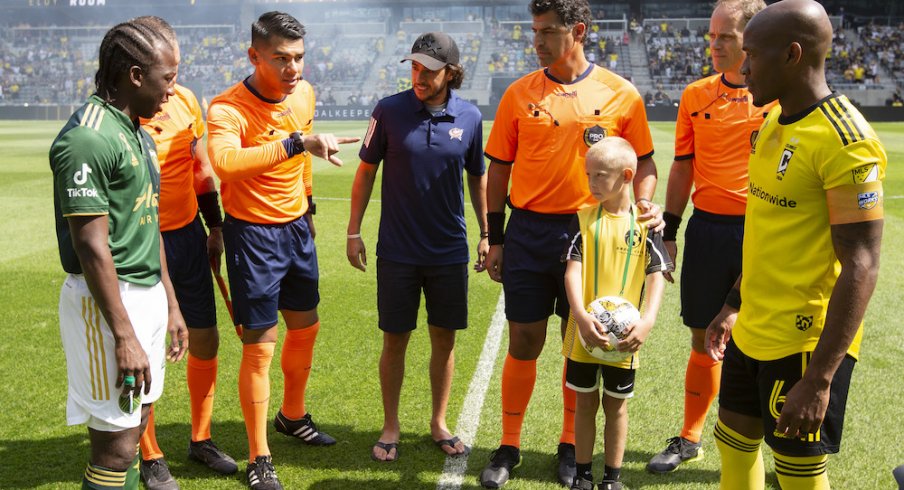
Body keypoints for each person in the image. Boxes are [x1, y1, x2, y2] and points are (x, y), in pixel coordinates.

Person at [705, 1, 886, 488]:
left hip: (805, 344)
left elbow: (863, 264)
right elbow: (768, 232)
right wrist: (732, 303)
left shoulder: (845, 141)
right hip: (753, 329)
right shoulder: (771, 123)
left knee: (799, 472)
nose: (742, 68)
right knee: (733, 444)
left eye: (752, 56)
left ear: (792, 54)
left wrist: (821, 378)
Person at [479, 0, 659, 487]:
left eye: (546, 32)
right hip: (529, 232)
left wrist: (644, 207)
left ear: (577, 31)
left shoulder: (621, 94)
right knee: (525, 340)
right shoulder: (518, 93)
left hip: (591, 234)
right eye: (533, 31)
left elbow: (643, 164)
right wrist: (494, 238)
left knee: (579, 342)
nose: (534, 41)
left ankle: (568, 446)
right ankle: (509, 445)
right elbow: (498, 171)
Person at [206, 11, 358, 490]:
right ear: (254, 56)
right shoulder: (227, 108)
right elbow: (227, 164)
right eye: (280, 59)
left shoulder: (304, 93)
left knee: (306, 327)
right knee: (260, 347)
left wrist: (308, 205)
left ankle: (292, 415)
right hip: (252, 237)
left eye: (298, 58)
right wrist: (296, 143)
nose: (293, 69)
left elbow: (304, 162)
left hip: (295, 230)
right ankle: (258, 456)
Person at [49, 16, 188, 489]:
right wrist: (124, 335)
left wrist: (169, 303)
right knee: (116, 446)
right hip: (106, 303)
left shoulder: (138, 132)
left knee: (138, 420)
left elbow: (149, 225)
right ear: (134, 75)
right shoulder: (88, 138)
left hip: (145, 294)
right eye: (166, 78)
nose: (172, 90)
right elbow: (91, 247)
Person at [346, 31, 487, 462]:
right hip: (398, 252)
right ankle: (391, 425)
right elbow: (366, 173)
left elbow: (477, 178)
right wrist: (354, 231)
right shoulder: (388, 111)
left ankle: (438, 422)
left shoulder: (471, 117)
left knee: (444, 339)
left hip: (448, 253)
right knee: (395, 340)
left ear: (451, 72)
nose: (419, 75)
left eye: (428, 69)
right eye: (414, 67)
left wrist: (487, 233)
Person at [646, 0, 773, 475]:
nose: (713, 45)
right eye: (712, 35)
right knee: (703, 339)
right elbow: (682, 167)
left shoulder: (777, 100)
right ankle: (691, 436)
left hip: (761, 232)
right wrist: (671, 231)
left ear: (751, 41)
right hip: (707, 229)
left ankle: (775, 450)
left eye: (725, 37)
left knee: (762, 342)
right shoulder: (696, 94)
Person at [137, 82, 237, 489]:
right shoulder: (122, 109)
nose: (173, 82)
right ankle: (149, 454)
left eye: (177, 71)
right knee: (144, 346)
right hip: (141, 241)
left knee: (205, 336)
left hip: (187, 235)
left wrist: (214, 225)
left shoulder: (185, 99)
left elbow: (200, 166)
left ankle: (200, 439)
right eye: (167, 71)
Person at [562, 137, 671, 490]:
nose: (591, 183)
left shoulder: (645, 225)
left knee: (616, 408)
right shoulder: (583, 220)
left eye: (599, 176)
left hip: (625, 336)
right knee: (584, 402)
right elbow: (572, 271)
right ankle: (582, 474)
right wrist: (578, 313)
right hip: (584, 333)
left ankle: (612, 478)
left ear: (626, 176)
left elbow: (657, 276)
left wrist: (648, 320)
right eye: (589, 174)